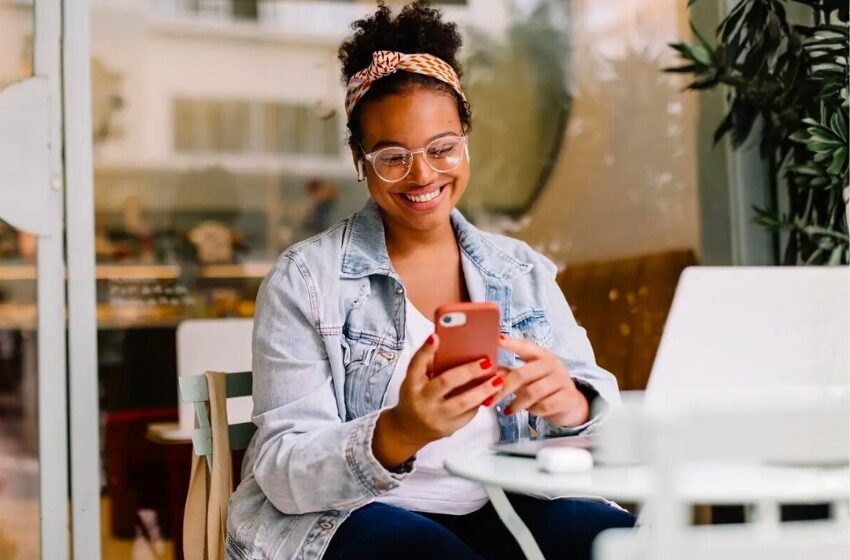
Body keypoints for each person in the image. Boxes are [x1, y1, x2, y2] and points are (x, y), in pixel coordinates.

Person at [227, 3, 635, 559]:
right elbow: (283, 468)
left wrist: (574, 407)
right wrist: (399, 431)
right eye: (393, 157)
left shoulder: (522, 270)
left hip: (505, 501)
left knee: (628, 544)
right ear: (360, 160)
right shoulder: (304, 280)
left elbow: (604, 423)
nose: (423, 175)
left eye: (442, 148)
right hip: (354, 516)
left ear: (465, 139)